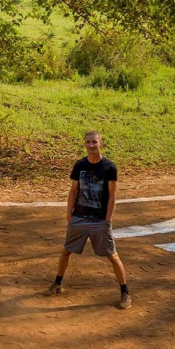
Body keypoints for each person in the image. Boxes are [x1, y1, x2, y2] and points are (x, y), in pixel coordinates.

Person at [45, 130, 131, 309]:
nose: (91, 145)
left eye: (94, 142)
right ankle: (58, 283)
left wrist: (108, 218)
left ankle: (125, 293)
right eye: (88, 142)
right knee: (66, 251)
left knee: (112, 256)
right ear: (85, 144)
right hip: (79, 217)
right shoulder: (79, 165)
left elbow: (112, 195)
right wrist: (69, 214)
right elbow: (73, 190)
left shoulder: (109, 166)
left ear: (101, 144)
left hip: (100, 220)